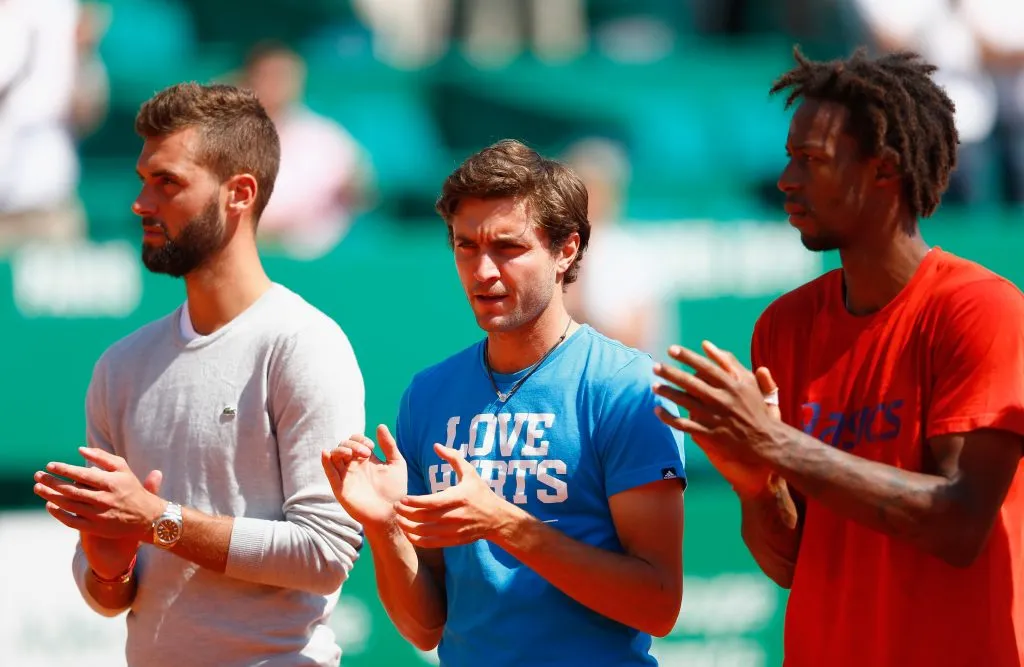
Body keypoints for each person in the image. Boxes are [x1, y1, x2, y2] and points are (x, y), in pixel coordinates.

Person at [652, 47, 1024, 666]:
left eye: (811, 160)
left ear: (885, 170)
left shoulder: (981, 309)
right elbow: (792, 562)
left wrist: (774, 444)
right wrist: (754, 484)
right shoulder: (784, 326)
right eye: (789, 158)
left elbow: (960, 524)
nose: (786, 180)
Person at [31, 82, 366, 667]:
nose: (141, 202)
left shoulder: (305, 345)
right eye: (142, 179)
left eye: (168, 183)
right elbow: (109, 596)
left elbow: (325, 552)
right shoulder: (120, 366)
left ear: (239, 194)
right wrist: (109, 565)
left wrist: (158, 522)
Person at [322, 139, 687, 666]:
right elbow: (426, 626)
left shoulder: (625, 385)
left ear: (566, 250)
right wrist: (385, 530)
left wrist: (504, 523)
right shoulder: (428, 395)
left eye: (508, 248)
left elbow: (658, 605)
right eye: (465, 246)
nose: (483, 270)